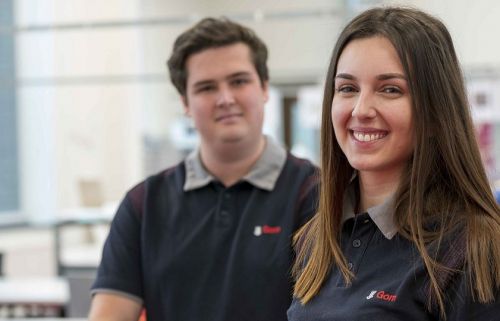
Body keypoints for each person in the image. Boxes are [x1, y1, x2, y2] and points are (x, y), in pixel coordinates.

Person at [88, 17, 318, 321]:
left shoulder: (314, 195)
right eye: (206, 87)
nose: (225, 99)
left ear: (263, 87)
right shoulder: (143, 206)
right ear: (185, 102)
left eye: (238, 81)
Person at [287, 7, 500, 321]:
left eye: (390, 89)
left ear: (436, 111)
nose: (361, 109)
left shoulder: (473, 248)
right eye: (347, 88)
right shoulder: (315, 239)